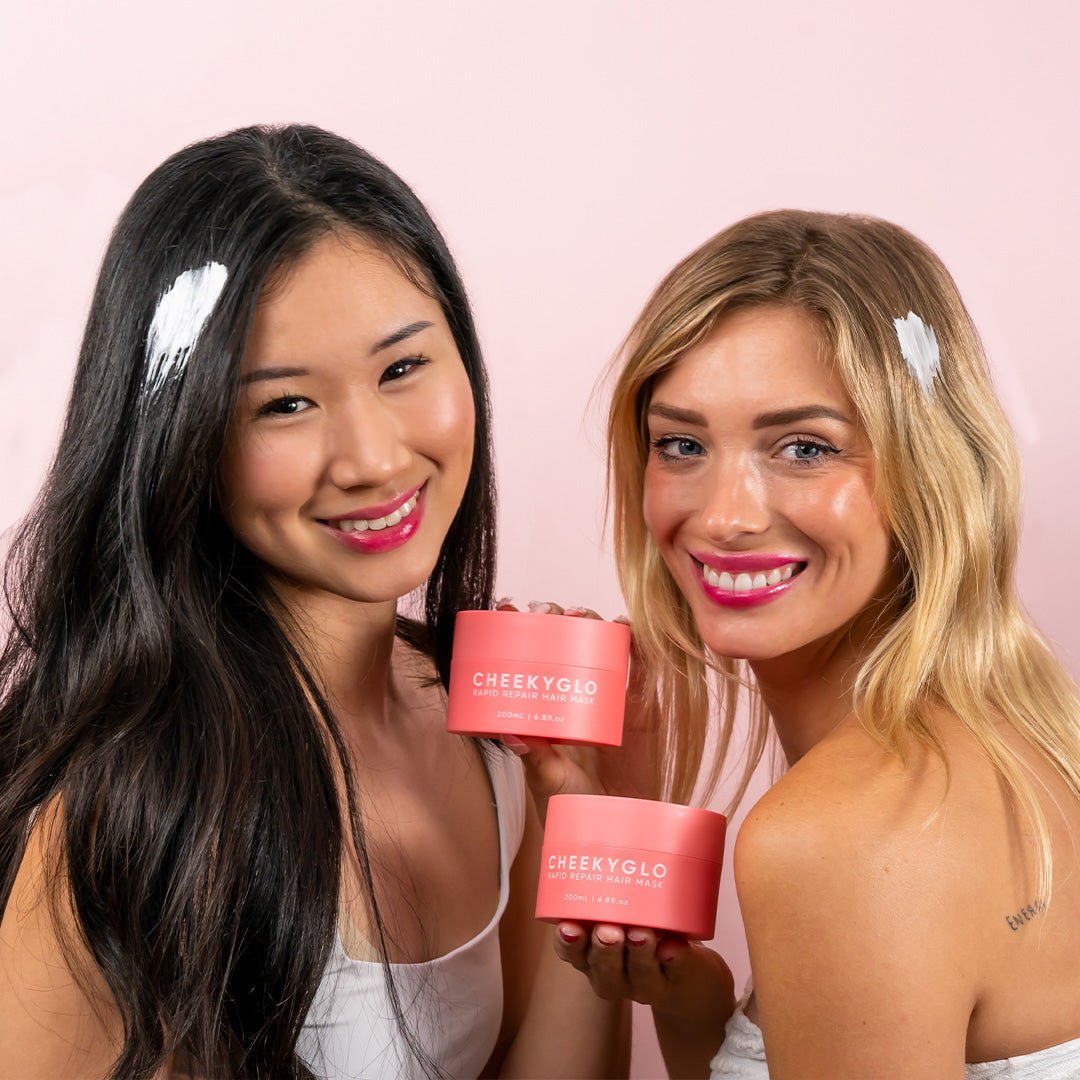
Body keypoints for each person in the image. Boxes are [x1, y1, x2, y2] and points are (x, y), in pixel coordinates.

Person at [0, 124, 629, 1080]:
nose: (374, 458)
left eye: (404, 367)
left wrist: (580, 831)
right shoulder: (128, 814)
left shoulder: (494, 736)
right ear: (180, 437)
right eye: (284, 405)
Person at [545, 210, 1080, 1078]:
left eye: (803, 448)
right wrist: (702, 1013)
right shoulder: (1022, 735)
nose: (722, 516)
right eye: (680, 444)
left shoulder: (840, 836)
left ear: (928, 468)